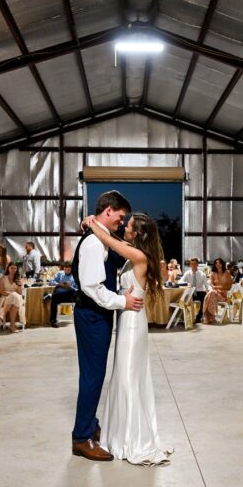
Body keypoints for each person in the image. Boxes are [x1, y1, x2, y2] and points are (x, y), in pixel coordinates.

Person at [79, 211, 172, 465]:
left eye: (128, 226)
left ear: (137, 233)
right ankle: (120, 433)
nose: (124, 228)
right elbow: (113, 240)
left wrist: (92, 224)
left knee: (128, 378)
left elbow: (110, 241)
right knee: (123, 376)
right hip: (126, 320)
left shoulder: (139, 256)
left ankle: (131, 439)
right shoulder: (134, 251)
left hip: (132, 324)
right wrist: (92, 223)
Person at [70, 191, 145, 462]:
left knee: (96, 374)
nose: (122, 223)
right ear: (109, 210)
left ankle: (90, 423)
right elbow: (92, 287)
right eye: (121, 217)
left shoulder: (103, 237)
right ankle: (81, 437)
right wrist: (121, 302)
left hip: (98, 315)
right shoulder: (93, 243)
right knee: (92, 376)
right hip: (92, 314)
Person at [43, 262, 77, 328]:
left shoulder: (75, 276)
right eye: (65, 270)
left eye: (69, 270)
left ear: (71, 269)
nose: (67, 271)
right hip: (59, 294)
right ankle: (53, 321)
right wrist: (59, 284)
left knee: (58, 295)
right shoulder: (60, 273)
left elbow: (77, 289)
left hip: (70, 295)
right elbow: (51, 281)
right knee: (55, 297)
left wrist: (70, 287)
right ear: (64, 269)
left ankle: (50, 295)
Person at [0, 263, 25, 333]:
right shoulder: (2, 278)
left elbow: (20, 293)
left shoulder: (19, 279)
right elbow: (1, 291)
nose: (13, 270)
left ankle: (3, 313)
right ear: (8, 268)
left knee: (15, 297)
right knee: (14, 297)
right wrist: (12, 294)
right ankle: (12, 325)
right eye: (11, 268)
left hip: (17, 297)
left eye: (15, 268)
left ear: (17, 269)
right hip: (5, 297)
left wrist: (19, 285)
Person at [203, 258, 232, 324]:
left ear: (222, 264)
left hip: (224, 295)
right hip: (215, 293)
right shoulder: (213, 274)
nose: (218, 264)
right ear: (215, 265)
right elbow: (211, 286)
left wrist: (218, 288)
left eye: (219, 263)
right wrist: (216, 289)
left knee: (211, 294)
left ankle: (208, 316)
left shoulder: (227, 273)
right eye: (216, 263)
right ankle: (211, 317)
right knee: (212, 293)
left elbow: (229, 286)